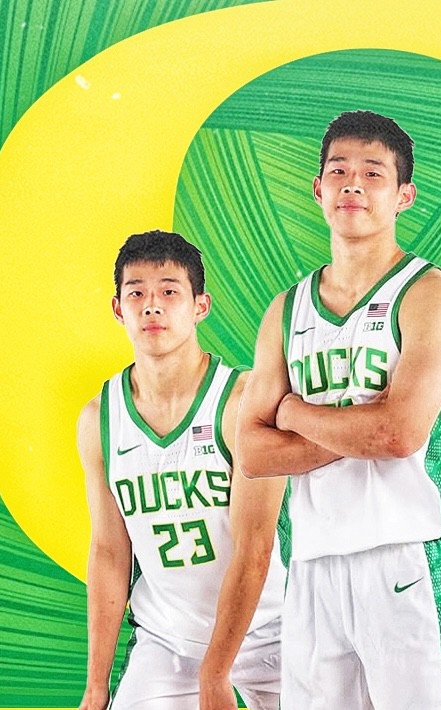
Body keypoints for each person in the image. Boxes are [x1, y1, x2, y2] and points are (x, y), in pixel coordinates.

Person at [236, 111, 441, 709]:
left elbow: (398, 434)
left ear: (403, 196)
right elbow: (252, 451)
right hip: (312, 561)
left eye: (373, 173)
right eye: (339, 171)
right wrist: (357, 428)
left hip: (403, 554)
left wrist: (293, 412)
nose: (353, 185)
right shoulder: (286, 309)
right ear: (318, 189)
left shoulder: (433, 295)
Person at [77, 230, 286, 710]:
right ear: (118, 309)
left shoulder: (242, 400)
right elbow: (109, 552)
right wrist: (95, 686)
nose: (152, 306)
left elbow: (255, 547)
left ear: (200, 306)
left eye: (169, 291)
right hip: (168, 640)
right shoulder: (99, 418)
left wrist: (216, 672)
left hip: (271, 629)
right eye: (137, 293)